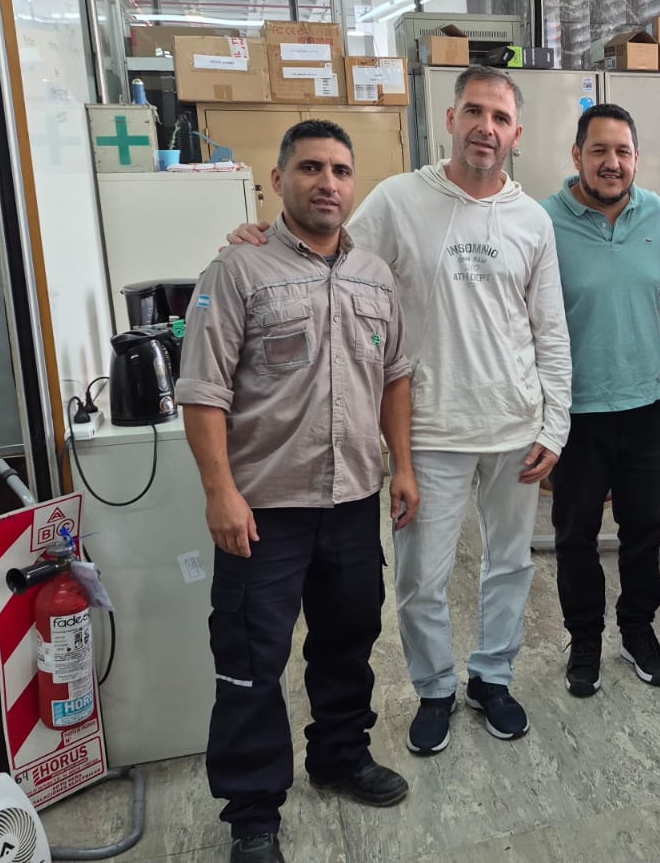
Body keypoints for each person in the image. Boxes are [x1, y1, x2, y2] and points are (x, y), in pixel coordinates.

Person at [228, 65, 571, 756]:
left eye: (500, 118)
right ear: (450, 120)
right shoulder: (399, 200)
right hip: (431, 429)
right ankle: (435, 687)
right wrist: (264, 239)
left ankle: (494, 677)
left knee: (511, 565)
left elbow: (549, 327)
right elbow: (328, 249)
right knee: (421, 578)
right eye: (474, 112)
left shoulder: (532, 219)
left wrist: (555, 423)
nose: (486, 128)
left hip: (516, 426)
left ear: (516, 134)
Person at [177, 120, 416, 863]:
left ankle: (340, 756)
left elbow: (396, 378)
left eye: (340, 170)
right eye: (311, 168)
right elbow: (202, 391)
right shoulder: (236, 271)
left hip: (352, 501)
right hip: (264, 510)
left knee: (348, 643)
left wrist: (403, 467)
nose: (327, 183)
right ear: (279, 179)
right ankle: (253, 813)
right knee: (251, 661)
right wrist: (220, 492)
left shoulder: (376, 276)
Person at [539, 103, 660, 696]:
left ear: (636, 158)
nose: (611, 162)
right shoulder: (543, 220)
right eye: (599, 150)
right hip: (575, 410)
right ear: (577, 155)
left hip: (647, 404)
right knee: (576, 537)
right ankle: (585, 639)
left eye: (622, 151)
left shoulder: (658, 214)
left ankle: (637, 631)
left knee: (644, 530)